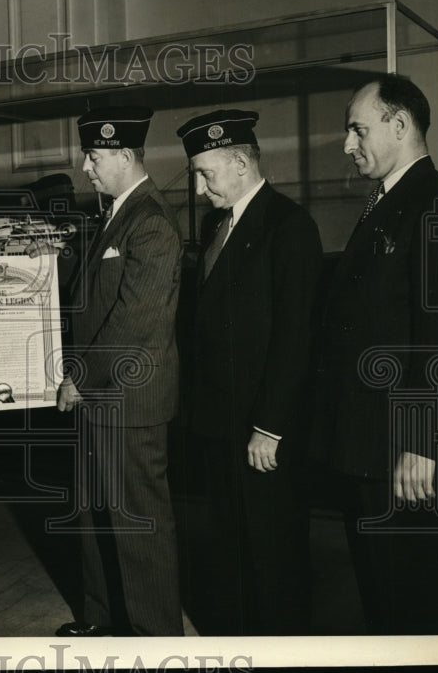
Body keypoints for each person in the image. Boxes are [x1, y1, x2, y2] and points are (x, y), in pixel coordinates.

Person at [310, 75, 438, 634]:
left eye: (358, 129)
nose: (347, 144)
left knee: (419, 606)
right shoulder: (390, 202)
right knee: (386, 600)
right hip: (372, 449)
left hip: (405, 459)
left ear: (399, 125)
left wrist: (420, 445)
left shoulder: (436, 206)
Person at [177, 109, 322, 635]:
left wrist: (270, 425)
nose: (198, 189)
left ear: (239, 162)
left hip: (262, 431)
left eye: (205, 173)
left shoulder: (288, 226)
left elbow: (295, 338)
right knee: (230, 548)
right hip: (219, 425)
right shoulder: (220, 224)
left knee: (272, 550)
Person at [55, 105, 183, 637]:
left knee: (138, 529)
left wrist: (78, 379)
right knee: (95, 518)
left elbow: (136, 325)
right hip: (97, 397)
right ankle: (102, 617)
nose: (86, 166)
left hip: (127, 401)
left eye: (95, 157)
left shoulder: (149, 220)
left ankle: (154, 638)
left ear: (126, 156)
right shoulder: (115, 213)